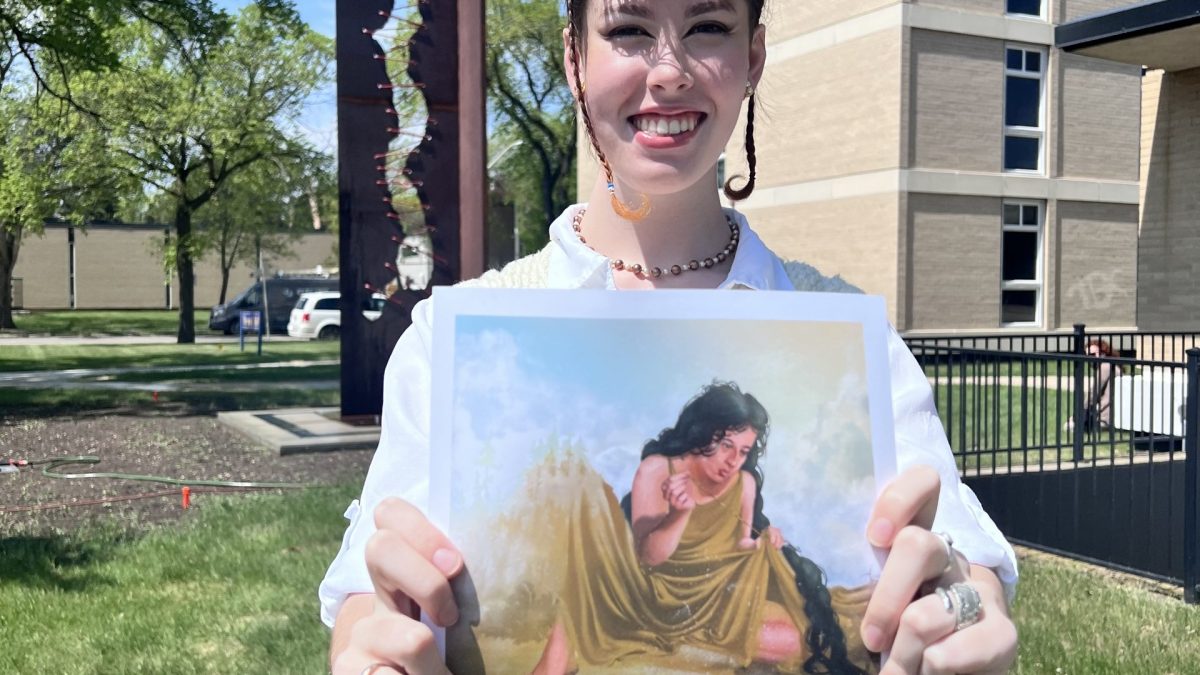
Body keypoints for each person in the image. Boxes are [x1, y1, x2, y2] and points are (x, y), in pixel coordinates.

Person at [321, 1, 1020, 674]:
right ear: (574, 57)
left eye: (708, 26)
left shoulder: (843, 325)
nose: (669, 71)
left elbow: (965, 563)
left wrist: (964, 602)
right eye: (628, 28)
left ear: (754, 56)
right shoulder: (452, 337)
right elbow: (366, 590)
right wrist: (367, 643)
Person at [532, 382, 872, 673]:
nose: (733, 462)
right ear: (702, 434)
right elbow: (648, 557)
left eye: (743, 452)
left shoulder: (745, 484)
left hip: (718, 595)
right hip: (655, 593)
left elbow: (740, 547)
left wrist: (765, 542)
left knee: (807, 637)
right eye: (726, 446)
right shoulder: (657, 470)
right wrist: (679, 516)